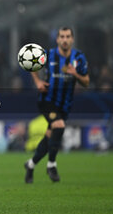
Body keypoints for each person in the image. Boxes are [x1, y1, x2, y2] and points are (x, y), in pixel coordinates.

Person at [24, 27, 89, 183]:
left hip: (65, 104)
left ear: (72, 39)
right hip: (47, 100)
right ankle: (51, 165)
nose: (65, 39)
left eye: (68, 36)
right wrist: (38, 81)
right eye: (62, 36)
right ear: (57, 39)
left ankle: (31, 165)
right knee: (58, 126)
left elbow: (86, 82)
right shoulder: (49, 55)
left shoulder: (79, 58)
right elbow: (32, 64)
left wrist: (75, 74)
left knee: (49, 137)